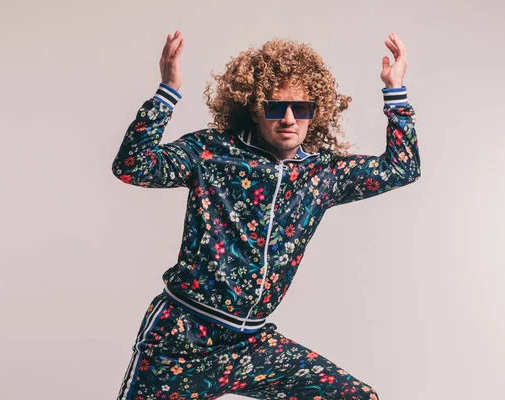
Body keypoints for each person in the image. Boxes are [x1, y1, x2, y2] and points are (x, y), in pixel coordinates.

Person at [112, 29, 420, 400]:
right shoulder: (210, 151)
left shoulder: (322, 175)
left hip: (252, 344)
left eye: (300, 108)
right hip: (182, 338)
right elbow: (132, 166)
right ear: (254, 109)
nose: (289, 119)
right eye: (276, 107)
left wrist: (395, 91)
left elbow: (402, 168)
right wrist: (167, 92)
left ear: (314, 112)